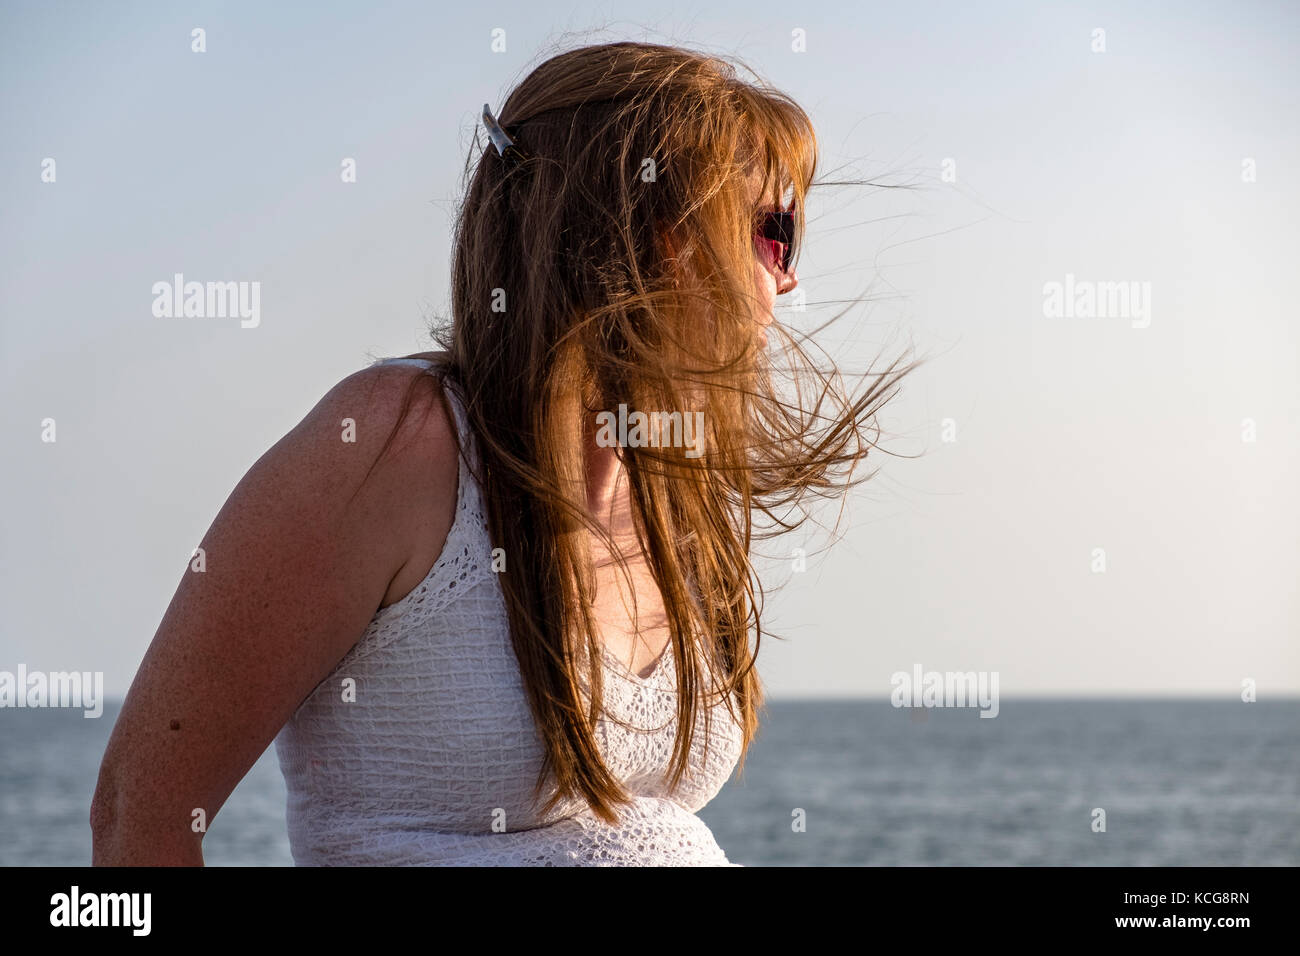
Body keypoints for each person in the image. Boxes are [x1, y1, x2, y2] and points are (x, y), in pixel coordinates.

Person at [89, 40, 918, 865]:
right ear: (663, 236)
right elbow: (139, 817)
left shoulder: (675, 480)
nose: (788, 279)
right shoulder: (397, 444)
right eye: (775, 233)